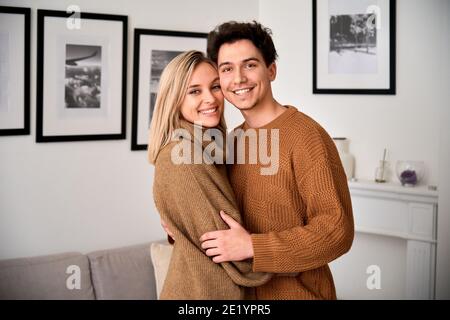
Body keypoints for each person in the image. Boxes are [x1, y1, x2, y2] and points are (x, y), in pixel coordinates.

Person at [198, 21, 355, 300]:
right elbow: (219, 216)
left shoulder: (307, 136)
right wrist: (180, 226)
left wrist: (255, 248)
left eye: (250, 65)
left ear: (271, 70)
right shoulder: (229, 143)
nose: (238, 79)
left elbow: (336, 231)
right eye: (227, 69)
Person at [148, 50, 272, 300]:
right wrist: (279, 256)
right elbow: (229, 249)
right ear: (174, 99)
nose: (211, 99)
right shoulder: (183, 155)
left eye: (215, 87)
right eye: (194, 91)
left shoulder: (212, 148)